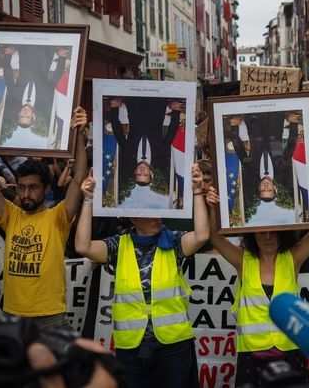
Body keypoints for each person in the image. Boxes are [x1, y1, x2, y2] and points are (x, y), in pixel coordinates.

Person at [74, 165, 210, 388]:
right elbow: (82, 246)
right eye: (148, 211)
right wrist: (88, 200)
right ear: (133, 217)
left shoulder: (173, 241)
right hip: (132, 348)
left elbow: (202, 235)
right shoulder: (119, 245)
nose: (157, 215)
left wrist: (197, 192)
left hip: (174, 344)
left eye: (158, 209)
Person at [0, 104, 88, 328]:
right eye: (21, 187)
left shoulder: (58, 216)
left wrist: (79, 135)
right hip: (13, 317)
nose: (25, 194)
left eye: (33, 188)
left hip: (50, 317)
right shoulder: (10, 215)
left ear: (46, 189)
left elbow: (79, 177)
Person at [206, 185, 309, 387]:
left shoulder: (293, 259)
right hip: (252, 355)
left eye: (273, 231)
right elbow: (215, 237)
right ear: (252, 234)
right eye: (261, 232)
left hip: (289, 351)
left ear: (282, 233)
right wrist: (214, 207)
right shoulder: (243, 261)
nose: (268, 236)